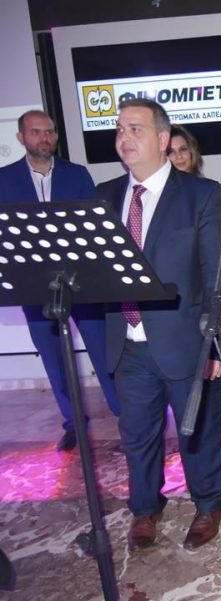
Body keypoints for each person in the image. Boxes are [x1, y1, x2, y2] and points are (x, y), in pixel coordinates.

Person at [97, 98, 221, 551]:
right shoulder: (104, 196)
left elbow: (216, 277)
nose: (124, 137)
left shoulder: (202, 195)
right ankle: (145, 507)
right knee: (137, 434)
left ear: (162, 138)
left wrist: (214, 344)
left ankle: (208, 503)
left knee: (199, 431)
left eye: (135, 128)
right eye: (119, 129)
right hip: (127, 340)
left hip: (185, 341)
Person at [0, 110, 121, 452]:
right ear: (21, 137)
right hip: (34, 285)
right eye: (36, 132)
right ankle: (74, 423)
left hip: (82, 281)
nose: (45, 138)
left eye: (50, 132)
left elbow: (92, 225)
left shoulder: (77, 174)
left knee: (104, 351)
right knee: (54, 360)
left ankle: (124, 413)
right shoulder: (4, 179)